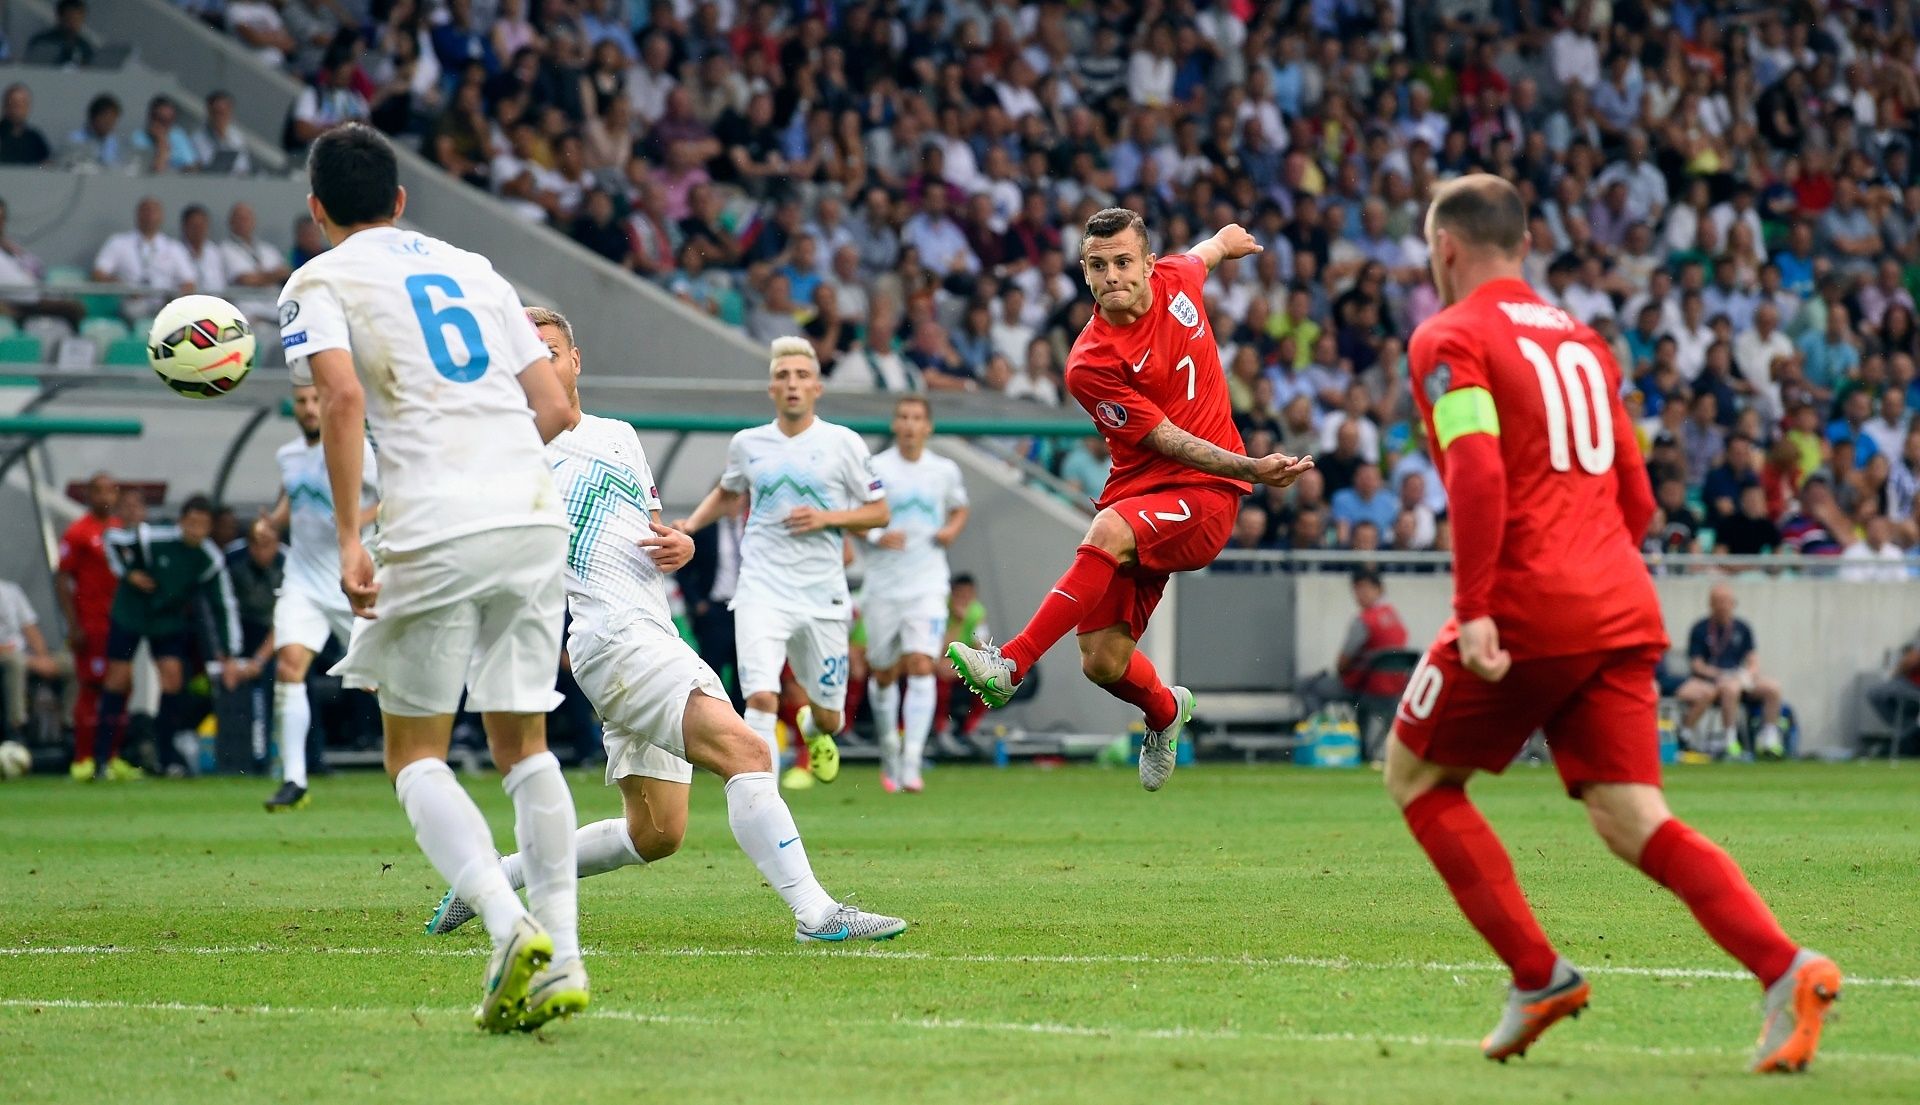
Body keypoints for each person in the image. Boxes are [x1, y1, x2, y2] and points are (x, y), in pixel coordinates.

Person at [1386, 175, 1837, 1071]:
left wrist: (1478, 607)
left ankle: (1537, 972)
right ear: (1523, 243)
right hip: (1619, 600)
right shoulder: (1586, 343)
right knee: (1633, 815)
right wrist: (1595, 577)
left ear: (1445, 248)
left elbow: (1476, 474)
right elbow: (1635, 490)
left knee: (1418, 777)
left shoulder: (1450, 335)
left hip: (1526, 600)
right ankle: (1787, 967)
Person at [426, 308, 904, 944]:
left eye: (549, 350)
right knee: (750, 751)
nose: (539, 361)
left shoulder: (620, 435)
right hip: (613, 638)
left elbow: (654, 530)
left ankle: (489, 877)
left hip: (647, 632)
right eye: (526, 354)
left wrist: (681, 544)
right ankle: (816, 914)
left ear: (574, 361)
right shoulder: (512, 458)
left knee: (655, 834)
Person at [279, 124, 583, 1034]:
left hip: (435, 520)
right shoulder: (478, 268)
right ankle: (563, 958)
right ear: (403, 199)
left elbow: (340, 398)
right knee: (523, 741)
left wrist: (348, 536)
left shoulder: (318, 280)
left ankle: (506, 926)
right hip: (532, 513)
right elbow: (558, 407)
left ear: (318, 210)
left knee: (413, 748)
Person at [947, 209, 1313, 792]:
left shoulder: (1177, 281)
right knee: (1102, 660)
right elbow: (1165, 438)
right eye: (1098, 265)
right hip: (1147, 489)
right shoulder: (1091, 363)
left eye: (1123, 262)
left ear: (1148, 265)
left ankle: (1010, 662)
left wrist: (1226, 240)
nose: (1112, 275)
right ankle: (1166, 714)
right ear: (1085, 273)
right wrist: (1255, 466)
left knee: (1110, 532)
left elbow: (1202, 255)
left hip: (1209, 495)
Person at [677, 338, 889, 790]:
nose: (791, 384)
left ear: (816, 387)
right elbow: (730, 491)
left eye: (800, 376)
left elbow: (879, 511)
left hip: (822, 594)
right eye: (782, 376)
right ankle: (761, 800)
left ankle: (815, 729)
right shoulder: (748, 444)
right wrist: (691, 524)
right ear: (771, 388)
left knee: (831, 717)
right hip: (761, 590)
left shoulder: (842, 444)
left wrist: (827, 518)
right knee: (760, 696)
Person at [251, 383, 379, 812]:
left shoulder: (358, 448)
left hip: (355, 581)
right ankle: (294, 779)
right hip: (303, 581)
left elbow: (393, 498)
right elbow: (295, 500)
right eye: (302, 402)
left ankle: (424, 765)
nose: (308, 408)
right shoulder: (288, 456)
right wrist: (272, 525)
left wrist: (354, 520)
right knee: (289, 667)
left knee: (385, 683)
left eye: (315, 401)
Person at [861, 396, 970, 792]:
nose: (909, 425)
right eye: (903, 417)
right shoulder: (876, 468)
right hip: (884, 587)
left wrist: (951, 530)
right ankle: (890, 748)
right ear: (894, 424)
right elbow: (852, 516)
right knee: (885, 671)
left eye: (917, 418)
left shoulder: (944, 470)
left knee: (922, 663)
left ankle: (911, 762)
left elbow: (959, 508)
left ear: (928, 427)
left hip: (926, 583)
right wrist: (875, 534)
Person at [93, 496, 243, 780]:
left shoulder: (209, 558)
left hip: (166, 619)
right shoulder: (154, 537)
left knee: (172, 677)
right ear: (181, 521)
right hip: (131, 613)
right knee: (118, 679)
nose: (195, 530)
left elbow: (224, 604)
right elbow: (112, 539)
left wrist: (229, 651)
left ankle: (166, 756)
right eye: (191, 523)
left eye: (202, 525)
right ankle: (102, 758)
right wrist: (128, 574)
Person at [1675, 585, 1788, 759]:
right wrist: (1719, 674)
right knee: (1730, 688)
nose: (1723, 605)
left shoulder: (1742, 628)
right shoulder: (1700, 628)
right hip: (1714, 680)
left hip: (1739, 677)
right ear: (1711, 604)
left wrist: (1748, 673)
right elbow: (1697, 665)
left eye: (1726, 601)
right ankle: (1730, 739)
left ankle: (1769, 738)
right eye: (1718, 601)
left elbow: (1753, 659)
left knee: (1772, 687)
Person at [57, 473, 120, 776]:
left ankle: (112, 757)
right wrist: (73, 624)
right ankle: (84, 759)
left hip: (120, 623)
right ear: (88, 495)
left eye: (110, 491)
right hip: (91, 622)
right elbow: (62, 578)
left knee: (121, 687)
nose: (105, 497)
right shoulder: (78, 532)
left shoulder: (120, 531)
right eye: (99, 491)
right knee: (92, 688)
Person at [1297, 569, 1409, 715]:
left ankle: (1320, 733)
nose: (1360, 594)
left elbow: (1342, 664)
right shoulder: (1393, 616)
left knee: (1306, 686)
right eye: (1357, 589)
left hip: (1364, 688)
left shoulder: (1363, 621)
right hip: (1394, 690)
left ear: (1379, 589)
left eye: (1365, 588)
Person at [0, 576, 63, 743]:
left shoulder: (10, 590)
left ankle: (69, 727)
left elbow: (31, 629)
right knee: (15, 662)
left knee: (70, 664)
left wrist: (43, 658)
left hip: (22, 654)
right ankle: (16, 728)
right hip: (10, 658)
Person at [1865, 632, 1920, 753]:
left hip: (1914, 687)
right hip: (1911, 687)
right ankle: (1910, 731)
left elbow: (1911, 660)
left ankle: (1910, 731)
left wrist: (1896, 671)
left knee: (1876, 693)